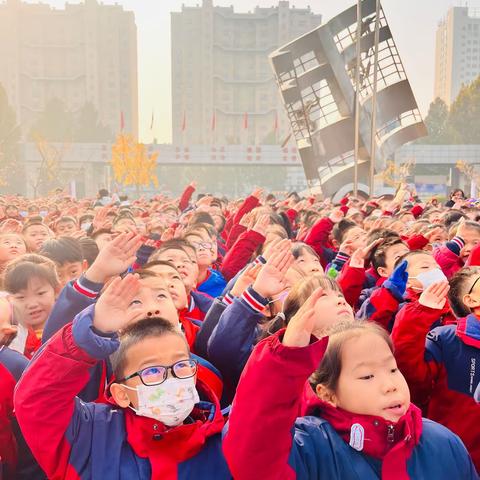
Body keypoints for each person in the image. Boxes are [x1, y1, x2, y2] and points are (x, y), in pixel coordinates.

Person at [224, 289, 478, 479]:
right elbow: (253, 455)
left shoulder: (442, 442)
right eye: (367, 376)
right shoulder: (310, 447)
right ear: (327, 393)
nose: (390, 385)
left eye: (392, 369)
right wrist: (284, 360)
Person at [14, 274, 231, 480]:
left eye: (181, 365)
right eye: (152, 371)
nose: (172, 378)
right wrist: (92, 333)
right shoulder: (91, 435)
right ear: (121, 393)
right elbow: (38, 399)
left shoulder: (224, 440)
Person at [392, 268, 480, 471]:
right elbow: (409, 377)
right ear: (471, 300)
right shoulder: (446, 340)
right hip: (458, 464)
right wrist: (419, 313)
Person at [4, 254, 60, 358]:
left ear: (56, 290)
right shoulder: (7, 336)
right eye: (21, 297)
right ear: (9, 299)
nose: (32, 304)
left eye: (40, 293)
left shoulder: (69, 329)